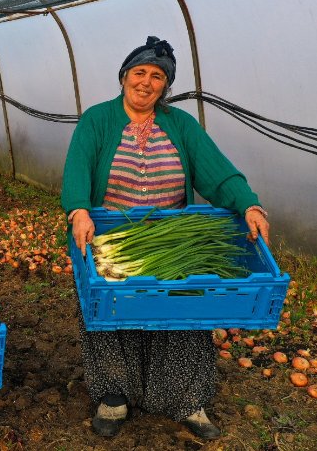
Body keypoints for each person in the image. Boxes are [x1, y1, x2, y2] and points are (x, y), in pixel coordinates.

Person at [61, 36, 270, 440]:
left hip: (174, 240)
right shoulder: (98, 119)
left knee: (184, 316)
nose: (146, 82)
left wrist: (249, 204)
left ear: (166, 86)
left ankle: (186, 400)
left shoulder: (181, 124)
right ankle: (114, 396)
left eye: (157, 76)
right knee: (111, 317)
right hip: (112, 241)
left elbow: (217, 172)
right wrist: (79, 209)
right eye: (139, 72)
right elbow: (77, 169)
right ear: (124, 76)